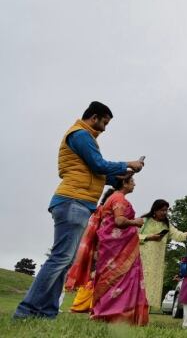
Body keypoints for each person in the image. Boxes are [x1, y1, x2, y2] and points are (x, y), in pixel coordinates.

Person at [14, 101, 144, 320]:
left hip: (78, 202)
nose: (104, 128)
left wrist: (122, 177)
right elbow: (98, 164)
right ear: (94, 117)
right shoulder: (80, 134)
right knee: (60, 259)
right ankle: (26, 311)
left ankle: (45, 312)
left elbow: (97, 173)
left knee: (64, 261)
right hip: (72, 201)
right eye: (104, 122)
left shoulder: (85, 137)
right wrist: (126, 164)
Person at [91, 175, 149, 324]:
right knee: (121, 279)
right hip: (118, 249)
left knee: (109, 279)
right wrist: (135, 222)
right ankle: (116, 315)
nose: (134, 184)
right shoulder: (119, 199)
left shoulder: (111, 198)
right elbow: (119, 221)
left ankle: (103, 314)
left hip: (111, 247)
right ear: (124, 182)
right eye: (132, 181)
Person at [139, 199, 187, 311]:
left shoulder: (166, 224)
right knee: (139, 284)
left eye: (166, 210)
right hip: (141, 258)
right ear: (155, 210)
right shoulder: (144, 221)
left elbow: (179, 236)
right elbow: (132, 235)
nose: (164, 212)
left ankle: (144, 314)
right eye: (162, 210)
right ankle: (133, 312)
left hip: (156, 261)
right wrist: (149, 237)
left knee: (151, 287)